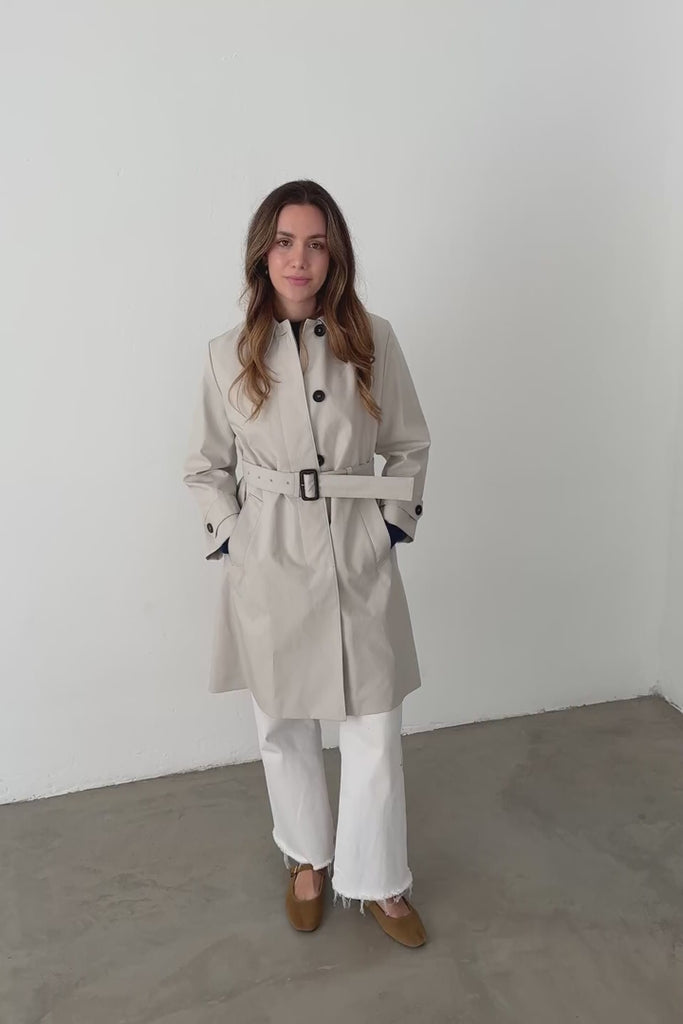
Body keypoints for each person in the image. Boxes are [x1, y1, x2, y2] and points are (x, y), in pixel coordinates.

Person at [182, 179, 431, 947]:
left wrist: (388, 526)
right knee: (283, 722)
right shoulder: (226, 354)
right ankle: (306, 859)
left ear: (334, 255)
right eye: (285, 242)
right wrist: (235, 538)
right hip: (270, 556)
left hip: (355, 549)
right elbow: (204, 466)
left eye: (316, 243)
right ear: (263, 253)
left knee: (373, 722)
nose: (300, 259)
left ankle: (378, 878)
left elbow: (409, 444)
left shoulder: (373, 339)